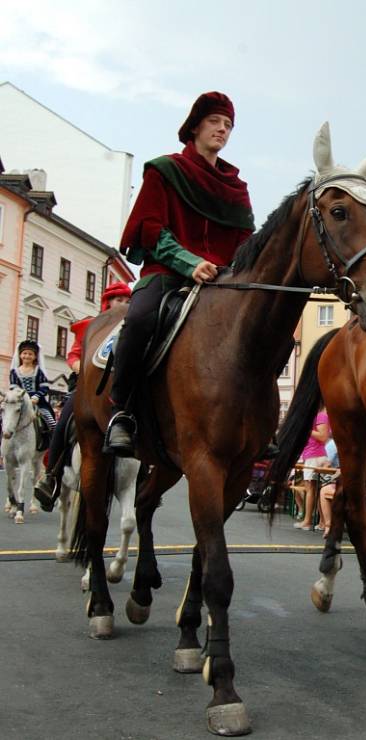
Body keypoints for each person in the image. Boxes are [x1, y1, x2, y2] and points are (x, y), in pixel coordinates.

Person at [104, 91, 255, 456]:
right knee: (139, 320)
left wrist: (235, 271)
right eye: (215, 122)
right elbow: (152, 229)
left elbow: (246, 242)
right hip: (167, 273)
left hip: (221, 282)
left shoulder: (236, 189)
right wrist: (190, 262)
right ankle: (120, 412)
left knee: (258, 328)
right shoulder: (164, 170)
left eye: (229, 125)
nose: (223, 130)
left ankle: (251, 418)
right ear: (195, 127)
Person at [33, 282, 133, 510]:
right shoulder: (92, 328)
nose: (124, 305)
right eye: (119, 300)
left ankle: (147, 477)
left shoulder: (132, 328)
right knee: (63, 423)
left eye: (128, 301)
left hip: (121, 388)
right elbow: (73, 356)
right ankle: (51, 475)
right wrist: (85, 369)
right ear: (108, 302)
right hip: (87, 387)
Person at [294, 405, 330, 531]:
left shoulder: (321, 415)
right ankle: (320, 522)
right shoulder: (319, 416)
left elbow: (323, 436)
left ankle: (308, 521)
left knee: (310, 489)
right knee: (316, 490)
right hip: (313, 455)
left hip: (315, 456)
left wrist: (307, 429)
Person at [9, 340, 56, 435]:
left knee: (51, 421)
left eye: (30, 354)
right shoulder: (15, 372)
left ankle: (52, 442)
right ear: (20, 355)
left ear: (35, 357)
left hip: (38, 402)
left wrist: (36, 397)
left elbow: (44, 387)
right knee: (5, 418)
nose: (27, 356)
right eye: (24, 353)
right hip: (20, 402)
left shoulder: (38, 371)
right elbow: (14, 388)